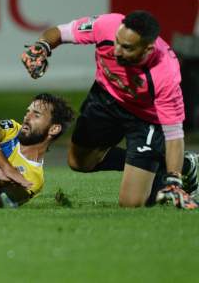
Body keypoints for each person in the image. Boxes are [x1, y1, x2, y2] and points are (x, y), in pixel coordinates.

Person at [20, 11, 199, 209]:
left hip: (145, 119)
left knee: (132, 204)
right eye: (117, 42)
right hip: (104, 99)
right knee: (79, 163)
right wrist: (42, 46)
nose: (117, 51)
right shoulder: (106, 25)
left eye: (127, 47)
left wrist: (174, 180)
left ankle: (184, 168)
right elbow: (59, 32)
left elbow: (174, 134)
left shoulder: (166, 73)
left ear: (147, 49)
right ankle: (170, 164)